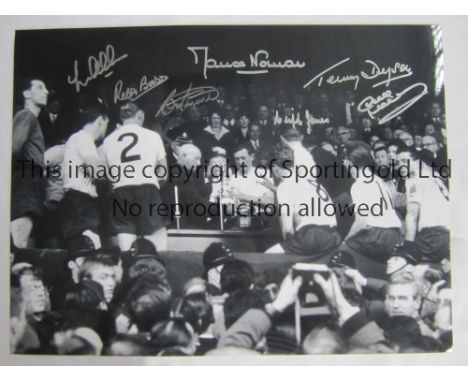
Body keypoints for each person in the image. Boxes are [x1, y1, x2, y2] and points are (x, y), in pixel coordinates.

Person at [101, 102, 168, 251]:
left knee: (126, 240)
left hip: (120, 191)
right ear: (140, 115)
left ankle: (126, 266)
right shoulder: (153, 136)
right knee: (156, 239)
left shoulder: (108, 140)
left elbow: (106, 175)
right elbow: (163, 174)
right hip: (147, 189)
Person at [266, 145, 341, 257]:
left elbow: (287, 230)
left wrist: (289, 246)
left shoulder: (285, 186)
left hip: (313, 237)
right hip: (334, 237)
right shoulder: (313, 183)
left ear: (274, 167)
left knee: (267, 258)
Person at [341, 141, 402, 278]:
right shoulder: (378, 180)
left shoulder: (359, 184)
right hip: (395, 234)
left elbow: (361, 222)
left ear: (351, 163)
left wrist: (345, 240)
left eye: (345, 162)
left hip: (377, 236)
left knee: (340, 253)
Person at [58, 103, 109, 249]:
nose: (105, 129)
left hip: (74, 200)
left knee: (80, 248)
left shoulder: (76, 139)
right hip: (81, 201)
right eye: (106, 124)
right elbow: (97, 173)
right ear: (100, 120)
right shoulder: (84, 138)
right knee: (91, 246)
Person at [11, 78, 49, 248]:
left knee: (24, 239)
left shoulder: (33, 119)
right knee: (19, 242)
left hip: (32, 178)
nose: (46, 91)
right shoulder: (26, 115)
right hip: (27, 178)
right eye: (40, 87)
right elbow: (13, 148)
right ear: (26, 93)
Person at [396, 147, 450, 261]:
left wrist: (408, 245)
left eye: (405, 161)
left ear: (417, 161)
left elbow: (412, 214)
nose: (401, 165)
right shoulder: (434, 175)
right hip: (449, 233)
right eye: (397, 162)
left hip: (433, 234)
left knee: (401, 260)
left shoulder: (414, 177)